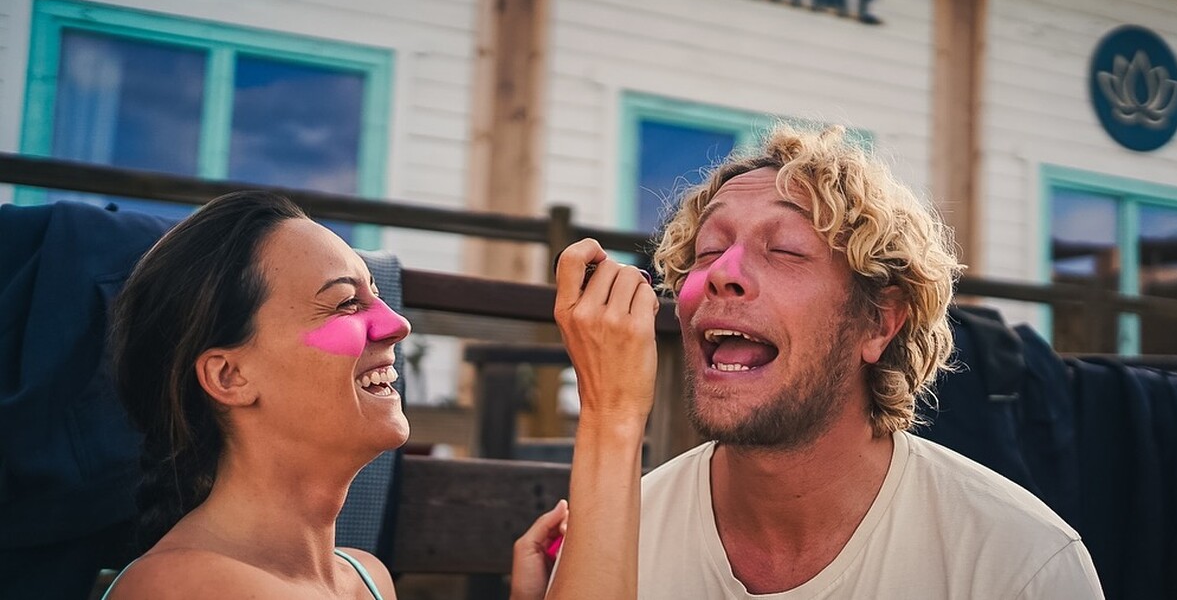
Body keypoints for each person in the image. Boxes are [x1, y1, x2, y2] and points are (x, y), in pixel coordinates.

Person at [101, 191, 656, 599]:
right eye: (345, 303)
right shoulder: (185, 585)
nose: (396, 324)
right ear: (229, 377)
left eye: (375, 296)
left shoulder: (364, 578)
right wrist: (612, 411)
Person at [640, 123, 1105, 598]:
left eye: (784, 249)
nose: (721, 273)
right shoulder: (623, 538)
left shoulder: (1019, 565)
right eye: (709, 249)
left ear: (880, 322)